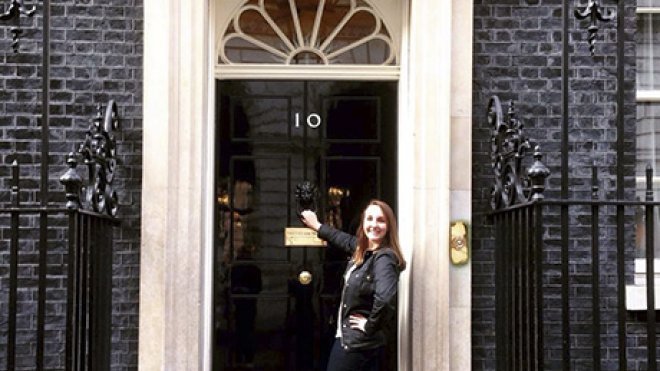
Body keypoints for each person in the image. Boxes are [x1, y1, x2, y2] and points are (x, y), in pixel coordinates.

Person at [300, 200, 406, 371]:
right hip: (351, 340)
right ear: (363, 222)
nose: (374, 224)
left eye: (380, 220)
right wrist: (318, 226)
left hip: (358, 344)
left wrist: (370, 325)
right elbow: (342, 239)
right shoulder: (363, 250)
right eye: (369, 219)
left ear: (389, 226)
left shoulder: (384, 258)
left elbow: (385, 299)